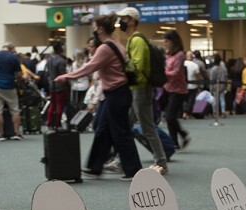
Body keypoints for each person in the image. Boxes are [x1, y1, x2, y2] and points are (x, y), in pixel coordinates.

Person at [55, 14, 142, 181]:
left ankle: (133, 170)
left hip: (116, 94)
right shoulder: (116, 43)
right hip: (117, 93)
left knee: (120, 132)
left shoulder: (105, 47)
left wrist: (67, 76)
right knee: (103, 130)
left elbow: (89, 67)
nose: (94, 30)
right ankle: (94, 167)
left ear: (100, 29)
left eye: (95, 27)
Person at [117, 7, 169, 174]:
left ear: (132, 20)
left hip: (140, 88)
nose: (121, 22)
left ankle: (161, 162)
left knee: (147, 127)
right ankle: (120, 160)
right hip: (135, 88)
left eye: (124, 19)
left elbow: (137, 66)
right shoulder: (134, 39)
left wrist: (122, 69)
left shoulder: (137, 40)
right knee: (126, 125)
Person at [0, 42, 24, 141]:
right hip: (9, 86)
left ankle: (0, 134)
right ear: (11, 49)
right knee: (14, 110)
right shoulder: (14, 58)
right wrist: (17, 80)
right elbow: (19, 74)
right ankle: (16, 133)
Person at [161, 30, 190, 150]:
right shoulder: (168, 55)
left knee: (170, 116)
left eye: (167, 41)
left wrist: (163, 74)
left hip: (179, 90)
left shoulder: (180, 55)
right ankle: (174, 142)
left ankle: (182, 135)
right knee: (169, 117)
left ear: (173, 41)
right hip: (168, 88)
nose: (165, 44)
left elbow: (177, 72)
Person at [45, 41, 68, 130]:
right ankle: (57, 123)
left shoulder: (49, 59)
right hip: (60, 86)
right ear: (60, 49)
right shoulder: (61, 61)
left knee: (52, 104)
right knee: (59, 105)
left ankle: (49, 122)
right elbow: (63, 74)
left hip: (51, 85)